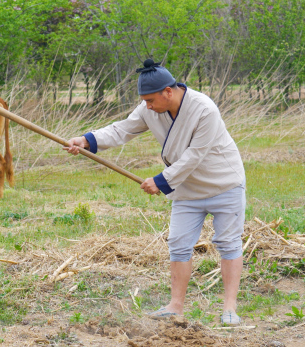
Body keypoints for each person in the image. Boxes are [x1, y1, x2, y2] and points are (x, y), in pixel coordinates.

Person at [63, 59, 246, 325]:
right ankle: (175, 306)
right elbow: (123, 129)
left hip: (223, 184)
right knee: (179, 244)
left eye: (150, 100)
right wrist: (88, 140)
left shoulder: (204, 109)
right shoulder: (150, 107)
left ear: (168, 92)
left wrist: (161, 180)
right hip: (186, 190)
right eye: (144, 101)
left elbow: (195, 155)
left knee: (228, 244)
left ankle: (230, 307)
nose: (147, 106)